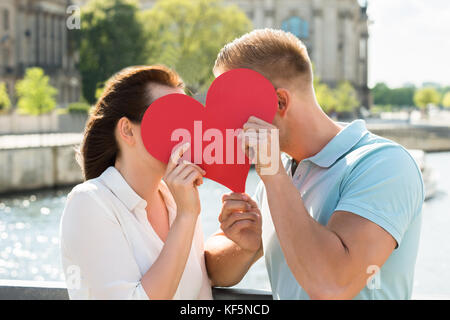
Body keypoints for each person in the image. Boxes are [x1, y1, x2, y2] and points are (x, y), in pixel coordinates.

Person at [204, 29, 424, 300]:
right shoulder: (280, 174)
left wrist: (274, 177)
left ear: (279, 102)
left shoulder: (383, 165)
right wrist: (246, 247)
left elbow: (332, 285)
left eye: (230, 106)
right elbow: (213, 271)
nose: (224, 122)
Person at [60, 65, 213, 299]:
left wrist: (246, 244)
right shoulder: (89, 203)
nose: (184, 133)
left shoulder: (177, 200)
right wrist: (186, 216)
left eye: (187, 120)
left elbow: (202, 290)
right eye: (170, 119)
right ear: (128, 131)